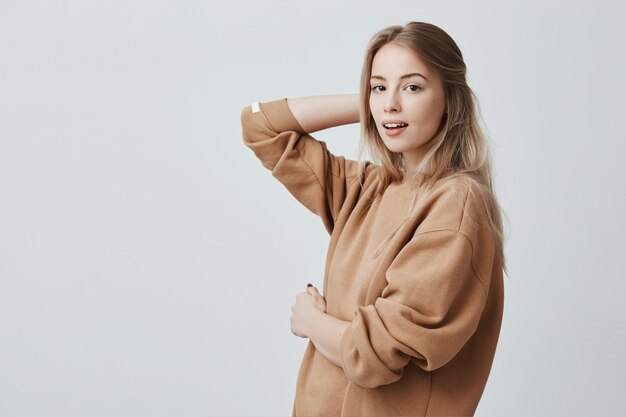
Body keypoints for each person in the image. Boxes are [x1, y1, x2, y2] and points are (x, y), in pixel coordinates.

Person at [241, 21, 506, 417]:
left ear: (451, 99)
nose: (390, 104)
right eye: (379, 86)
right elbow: (261, 125)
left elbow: (377, 354)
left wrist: (312, 322)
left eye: (413, 87)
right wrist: (371, 103)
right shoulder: (368, 187)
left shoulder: (456, 202)